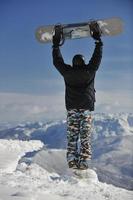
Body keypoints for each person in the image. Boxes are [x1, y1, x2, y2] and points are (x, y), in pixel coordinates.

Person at [52, 22, 103, 170]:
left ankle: (72, 162)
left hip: (72, 110)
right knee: (85, 138)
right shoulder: (90, 71)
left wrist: (56, 45)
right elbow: (97, 58)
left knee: (72, 138)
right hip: (86, 110)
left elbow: (57, 62)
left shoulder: (67, 73)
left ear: (73, 63)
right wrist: (98, 41)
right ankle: (84, 163)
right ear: (83, 62)